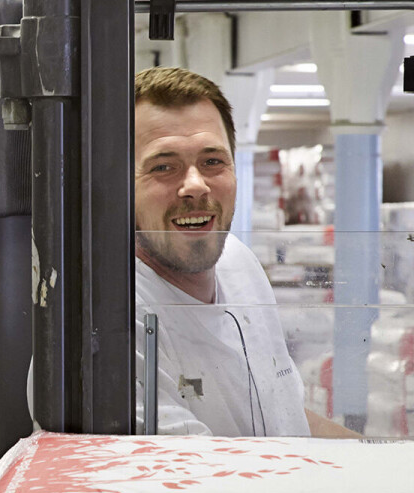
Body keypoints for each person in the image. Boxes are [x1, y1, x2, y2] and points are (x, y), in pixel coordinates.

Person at [29, 66, 357, 438]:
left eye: (212, 161)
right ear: (115, 186)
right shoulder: (104, 321)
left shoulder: (238, 261)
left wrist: (385, 459)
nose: (196, 186)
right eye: (163, 166)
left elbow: (284, 416)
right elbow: (195, 482)